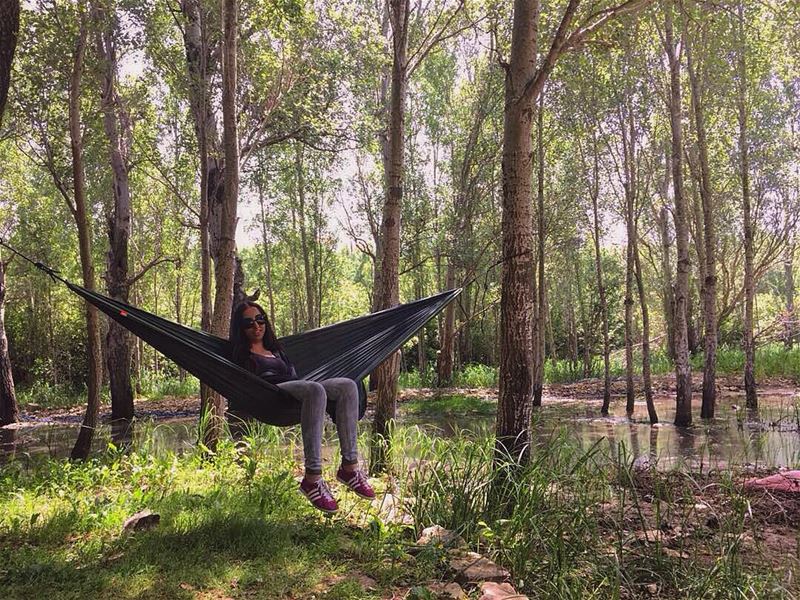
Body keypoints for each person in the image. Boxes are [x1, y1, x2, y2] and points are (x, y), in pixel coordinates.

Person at [228, 301, 375, 513]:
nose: (256, 326)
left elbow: (295, 376)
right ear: (241, 328)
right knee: (315, 389)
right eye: (249, 323)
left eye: (260, 320)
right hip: (270, 393)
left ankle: (349, 468)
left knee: (347, 386)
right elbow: (244, 384)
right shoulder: (241, 354)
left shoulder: (276, 349)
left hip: (297, 390)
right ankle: (312, 478)